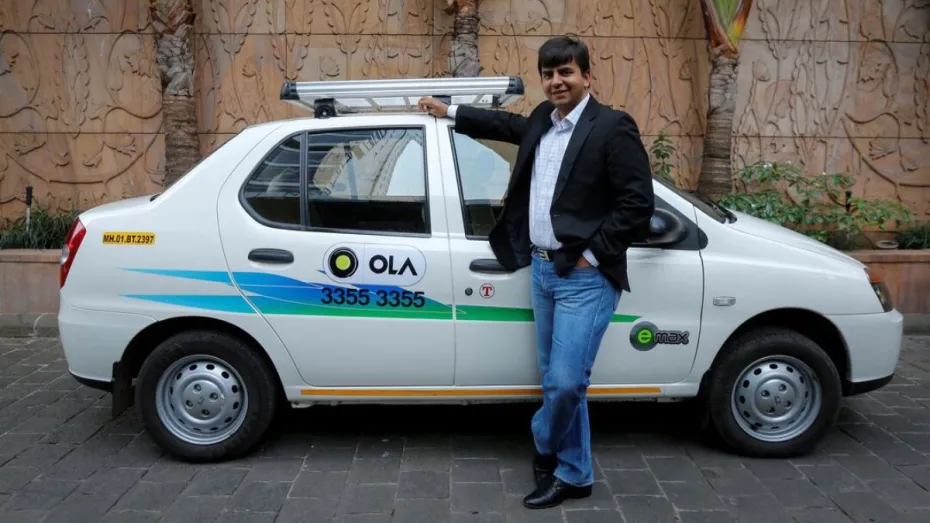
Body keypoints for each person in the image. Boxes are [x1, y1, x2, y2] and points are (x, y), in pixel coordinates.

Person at [418, 35, 655, 509]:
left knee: (565, 383)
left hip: (584, 277)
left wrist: (593, 255)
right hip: (542, 272)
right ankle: (574, 473)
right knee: (560, 380)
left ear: (587, 76)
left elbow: (637, 203)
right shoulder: (544, 120)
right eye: (548, 74)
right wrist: (450, 111)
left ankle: (543, 439)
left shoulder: (612, 127)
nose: (556, 82)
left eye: (565, 72)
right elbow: (505, 124)